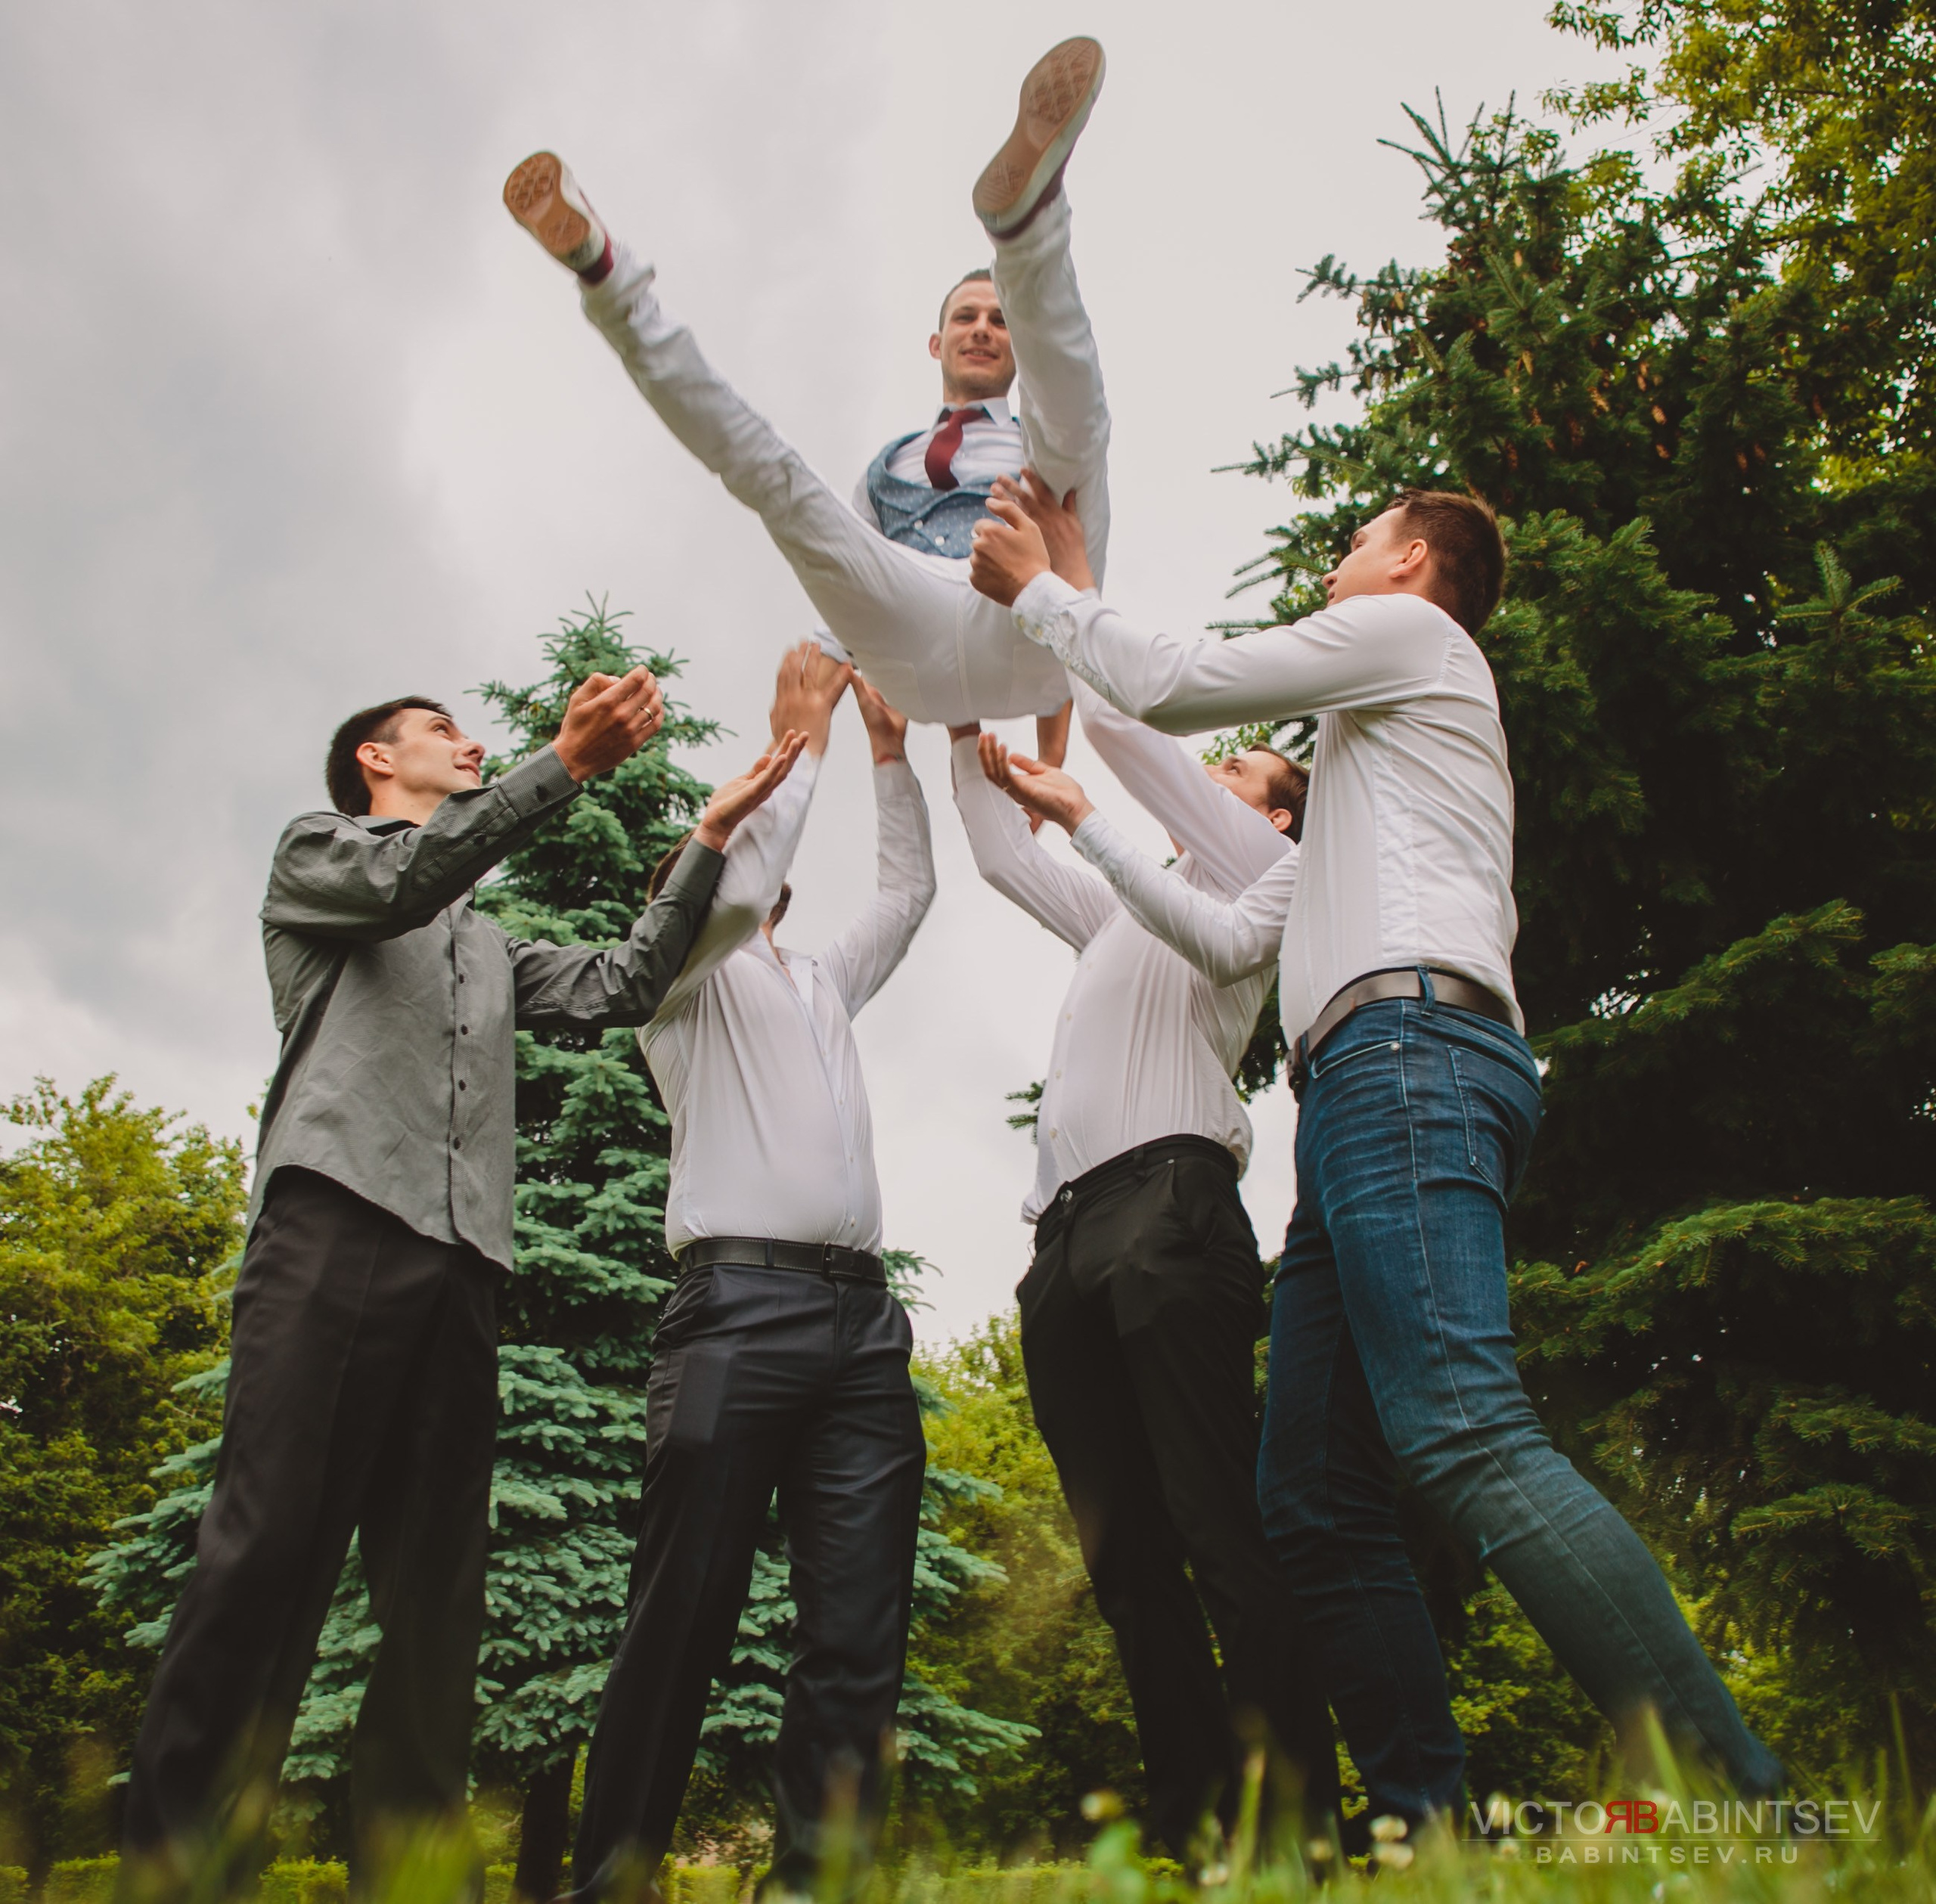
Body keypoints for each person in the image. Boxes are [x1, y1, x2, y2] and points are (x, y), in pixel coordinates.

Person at [969, 483, 1785, 1823]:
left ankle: (1746, 1801)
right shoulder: (1359, 776)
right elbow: (1208, 875)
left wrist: (1046, 594)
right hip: (1362, 1087)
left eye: (1357, 541)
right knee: (1312, 1494)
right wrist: (1070, 579)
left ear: (1411, 560)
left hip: (1411, 1057)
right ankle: (1430, 1822)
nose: (1338, 558)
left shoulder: (1415, 642)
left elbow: (1180, 686)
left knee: (1461, 1427)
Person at [118, 671, 804, 1895]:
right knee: (269, 1553)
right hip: (332, 1230)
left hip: (462, 1271)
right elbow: (408, 879)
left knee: (436, 1609)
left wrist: (706, 839)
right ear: (378, 760)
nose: (469, 740)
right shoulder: (319, 853)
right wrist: (566, 765)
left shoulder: (486, 944)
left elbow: (624, 984)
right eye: (444, 730)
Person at [946, 479, 1334, 1858]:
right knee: (1125, 1560)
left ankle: (1294, 1822)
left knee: (1218, 1525)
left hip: (1174, 1209)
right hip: (1063, 1242)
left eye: (1245, 776)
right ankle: (1189, 1817)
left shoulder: (1272, 885)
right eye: (1225, 767)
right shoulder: (1119, 898)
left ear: (1283, 819)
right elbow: (999, 849)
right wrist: (943, 702)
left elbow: (1220, 942)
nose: (1219, 777)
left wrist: (1086, 806)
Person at [568, 645, 936, 1902]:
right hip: (734, 1317)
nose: (730, 874)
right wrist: (800, 738)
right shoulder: (682, 979)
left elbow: (906, 890)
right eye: (708, 861)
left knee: (854, 1637)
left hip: (861, 1331)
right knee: (682, 1615)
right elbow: (731, 886)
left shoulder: (819, 979)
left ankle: (816, 1884)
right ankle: (612, 1881)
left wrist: (887, 751)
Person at [500, 36, 1112, 759]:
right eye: (965, 317)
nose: (982, 330)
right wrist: (803, 736)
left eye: (1000, 319)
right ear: (935, 343)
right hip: (909, 642)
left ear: (1016, 345)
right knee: (778, 482)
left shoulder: (1033, 444)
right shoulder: (891, 466)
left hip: (1030, 622)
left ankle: (1028, 228)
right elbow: (846, 573)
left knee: (1076, 440)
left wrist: (1055, 764)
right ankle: (609, 281)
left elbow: (1075, 593)